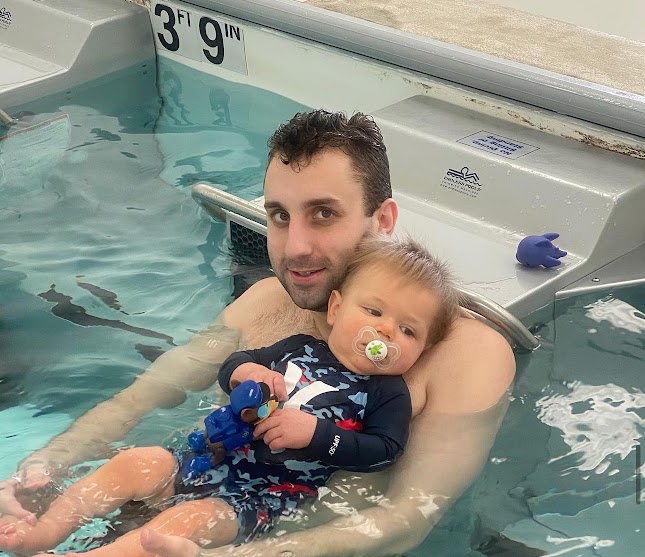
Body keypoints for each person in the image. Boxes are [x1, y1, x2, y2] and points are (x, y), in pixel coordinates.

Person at [0, 109, 516, 557]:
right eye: (279, 216)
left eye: (323, 214)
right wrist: (40, 468)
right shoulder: (266, 303)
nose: (295, 247)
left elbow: (405, 521)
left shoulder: (467, 355)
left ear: (382, 220)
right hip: (174, 493)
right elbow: (136, 402)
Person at [0, 235, 462, 556]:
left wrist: (319, 435)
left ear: (423, 349)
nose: (386, 331)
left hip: (260, 497)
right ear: (337, 308)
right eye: (374, 311)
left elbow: (385, 450)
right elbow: (232, 365)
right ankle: (43, 532)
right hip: (202, 457)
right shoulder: (299, 347)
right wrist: (248, 371)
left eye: (408, 330)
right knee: (135, 462)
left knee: (186, 522)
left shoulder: (386, 392)